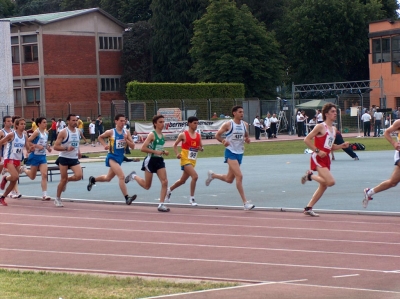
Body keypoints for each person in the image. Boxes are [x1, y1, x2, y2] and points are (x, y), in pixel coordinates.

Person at [300, 103, 349, 217]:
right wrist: (317, 151)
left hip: (326, 158)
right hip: (317, 158)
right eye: (332, 111)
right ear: (326, 114)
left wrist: (341, 146)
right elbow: (306, 140)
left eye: (335, 111)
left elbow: (329, 147)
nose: (335, 113)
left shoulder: (334, 129)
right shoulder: (320, 127)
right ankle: (310, 176)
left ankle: (308, 207)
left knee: (324, 185)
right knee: (330, 182)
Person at [205, 105, 254, 210]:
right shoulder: (228, 124)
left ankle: (212, 175)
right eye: (240, 112)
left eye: (243, 112)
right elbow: (217, 135)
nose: (242, 114)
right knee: (239, 176)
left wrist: (247, 140)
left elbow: (246, 136)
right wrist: (223, 141)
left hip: (239, 153)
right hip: (230, 152)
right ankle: (245, 203)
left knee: (229, 179)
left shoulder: (245, 125)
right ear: (234, 113)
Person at [87, 114, 137, 205]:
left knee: (108, 178)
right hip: (112, 157)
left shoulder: (127, 132)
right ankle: (127, 197)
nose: (123, 122)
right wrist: (104, 145)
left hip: (120, 157)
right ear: (116, 121)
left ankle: (93, 180)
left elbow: (133, 146)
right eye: (121, 121)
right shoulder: (111, 132)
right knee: (121, 176)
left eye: (124, 121)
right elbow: (100, 137)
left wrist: (127, 140)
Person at [124, 115, 170, 212]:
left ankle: (161, 204)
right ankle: (133, 176)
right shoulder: (152, 134)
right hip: (150, 161)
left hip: (159, 161)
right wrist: (155, 152)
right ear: (155, 124)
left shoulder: (163, 136)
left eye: (163, 122)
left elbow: (158, 148)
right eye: (160, 122)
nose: (163, 124)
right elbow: (143, 148)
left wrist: (163, 151)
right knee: (147, 186)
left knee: (165, 181)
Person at [165, 116, 203, 206]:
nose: (196, 125)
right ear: (189, 123)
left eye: (197, 123)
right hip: (185, 159)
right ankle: (192, 199)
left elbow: (202, 148)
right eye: (194, 123)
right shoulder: (183, 134)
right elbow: (174, 145)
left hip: (193, 160)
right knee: (195, 176)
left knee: (182, 181)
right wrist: (177, 154)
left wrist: (200, 148)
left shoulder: (198, 136)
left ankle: (168, 190)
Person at [362, 119, 400, 208]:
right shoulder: (398, 122)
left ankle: (369, 192)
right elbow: (386, 133)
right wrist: (394, 143)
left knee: (393, 182)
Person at [0, 118, 33, 206]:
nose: (23, 126)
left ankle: (2, 197)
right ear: (17, 125)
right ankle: (5, 179)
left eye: (24, 124)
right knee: (15, 176)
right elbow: (1, 142)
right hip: (9, 158)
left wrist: (31, 149)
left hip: (18, 159)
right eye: (21, 124)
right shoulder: (12, 134)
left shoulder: (25, 136)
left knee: (14, 180)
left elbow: (27, 148)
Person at [53, 114, 83, 207]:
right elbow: (55, 146)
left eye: (76, 120)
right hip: (64, 158)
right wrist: (66, 149)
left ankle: (68, 180)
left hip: (73, 157)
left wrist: (79, 151)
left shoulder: (78, 131)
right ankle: (57, 198)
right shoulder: (63, 132)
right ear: (68, 121)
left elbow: (76, 144)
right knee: (63, 179)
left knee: (79, 176)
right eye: (73, 120)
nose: (75, 122)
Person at [20, 117, 53, 201]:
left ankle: (45, 194)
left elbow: (45, 143)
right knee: (32, 177)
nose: (46, 124)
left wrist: (48, 147)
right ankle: (24, 169)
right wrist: (37, 146)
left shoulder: (46, 133)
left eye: (46, 122)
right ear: (39, 124)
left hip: (42, 157)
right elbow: (28, 141)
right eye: (44, 122)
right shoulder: (36, 132)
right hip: (35, 156)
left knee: (44, 174)